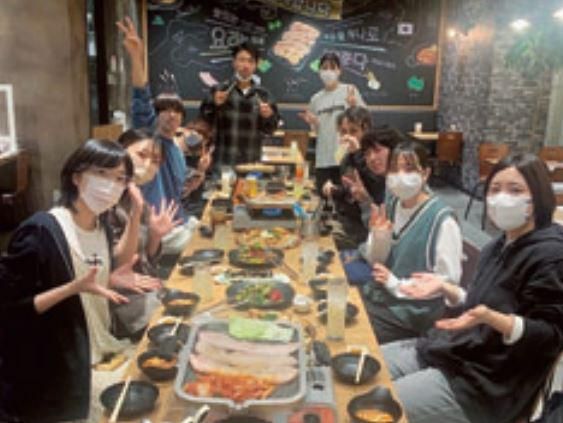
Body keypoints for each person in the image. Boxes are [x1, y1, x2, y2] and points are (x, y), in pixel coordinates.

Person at [381, 153, 563, 423]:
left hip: (483, 384)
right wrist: (447, 288)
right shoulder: (495, 247)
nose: (502, 198)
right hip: (451, 350)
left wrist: (495, 319)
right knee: (365, 365)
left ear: (538, 196)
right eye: (495, 189)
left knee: (373, 404)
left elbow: (551, 336)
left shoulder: (551, 254)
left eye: (515, 190)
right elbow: (479, 306)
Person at [0, 139, 160, 422]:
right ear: (76, 177)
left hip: (105, 348)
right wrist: (72, 288)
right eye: (101, 173)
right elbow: (11, 311)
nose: (111, 185)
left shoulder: (100, 226)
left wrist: (111, 277)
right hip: (64, 369)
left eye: (120, 179)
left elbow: (106, 269)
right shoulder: (41, 231)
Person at [362, 141, 463, 344]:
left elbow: (448, 283)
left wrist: (396, 284)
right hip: (383, 296)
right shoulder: (392, 205)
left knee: (352, 331)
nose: (400, 176)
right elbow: (376, 261)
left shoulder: (442, 220)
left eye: (409, 169)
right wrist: (379, 236)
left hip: (413, 313)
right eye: (394, 169)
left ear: (425, 173)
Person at [117, 17, 196, 256]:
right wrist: (136, 56)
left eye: (177, 111)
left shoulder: (176, 149)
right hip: (162, 231)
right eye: (164, 110)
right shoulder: (153, 141)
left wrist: (197, 177)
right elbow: (141, 99)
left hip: (179, 221)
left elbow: (179, 191)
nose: (171, 115)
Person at [112, 128, 181, 338]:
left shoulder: (137, 198)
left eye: (156, 161)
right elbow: (118, 263)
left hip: (145, 289)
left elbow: (145, 260)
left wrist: (155, 236)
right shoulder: (108, 200)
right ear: (121, 151)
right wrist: (136, 213)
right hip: (120, 301)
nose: (148, 164)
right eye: (142, 155)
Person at [339, 127, 403, 285]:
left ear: (395, 151)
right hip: (376, 253)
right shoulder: (389, 185)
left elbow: (391, 247)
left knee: (333, 272)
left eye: (378, 150)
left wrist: (361, 254)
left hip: (393, 271)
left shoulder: (404, 190)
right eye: (367, 154)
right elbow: (378, 229)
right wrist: (364, 200)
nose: (372, 158)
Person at [199, 42, 280, 168]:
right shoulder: (219, 90)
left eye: (250, 61)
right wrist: (214, 104)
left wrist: (268, 116)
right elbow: (204, 121)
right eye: (241, 60)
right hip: (224, 161)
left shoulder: (263, 95)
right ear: (234, 62)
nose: (246, 65)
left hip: (252, 162)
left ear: (256, 65)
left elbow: (271, 130)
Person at [299, 52, 365, 196]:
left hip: (346, 157)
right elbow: (317, 131)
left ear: (339, 70)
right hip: (323, 158)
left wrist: (354, 106)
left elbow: (364, 123)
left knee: (347, 198)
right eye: (324, 68)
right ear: (319, 72)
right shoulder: (315, 99)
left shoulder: (350, 90)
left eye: (332, 67)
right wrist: (314, 123)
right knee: (324, 198)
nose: (328, 71)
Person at [324, 106, 373, 249]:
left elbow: (372, 189)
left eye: (353, 131)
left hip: (365, 228)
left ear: (366, 130)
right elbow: (350, 191)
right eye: (343, 132)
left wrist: (357, 152)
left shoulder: (373, 157)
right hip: (346, 219)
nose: (347, 137)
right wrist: (334, 189)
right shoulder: (346, 157)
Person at [174, 117, 214, 218]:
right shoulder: (173, 152)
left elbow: (189, 189)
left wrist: (201, 171)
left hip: (188, 206)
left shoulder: (198, 156)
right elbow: (182, 191)